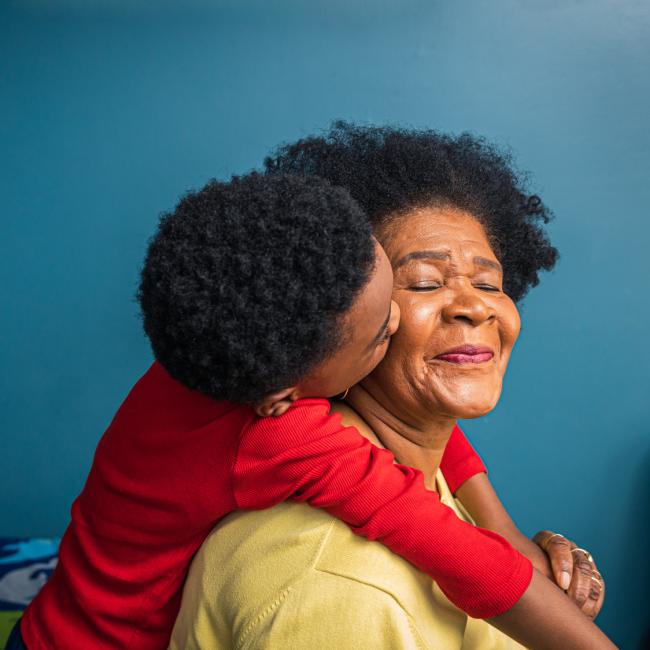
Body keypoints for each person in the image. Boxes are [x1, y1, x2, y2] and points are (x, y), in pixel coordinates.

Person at [15, 172, 533, 650]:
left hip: (56, 609)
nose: (396, 319)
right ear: (289, 394)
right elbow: (467, 561)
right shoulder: (285, 443)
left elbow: (428, 429)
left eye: (489, 284)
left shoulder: (221, 346)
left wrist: (507, 533)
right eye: (416, 286)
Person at [169, 124, 614, 649]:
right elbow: (475, 568)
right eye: (424, 283)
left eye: (490, 283)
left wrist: (522, 547)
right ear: (331, 319)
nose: (474, 305)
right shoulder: (331, 583)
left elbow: (470, 516)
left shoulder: (414, 451)